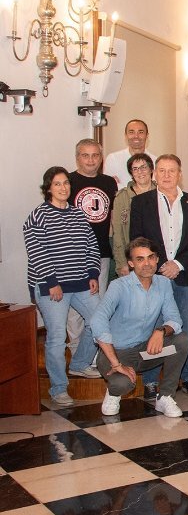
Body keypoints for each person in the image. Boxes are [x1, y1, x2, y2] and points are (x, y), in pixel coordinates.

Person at [129, 154, 188, 397]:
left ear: (179, 173)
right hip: (154, 277)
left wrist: (179, 264)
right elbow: (137, 239)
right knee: (153, 328)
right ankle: (151, 381)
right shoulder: (141, 202)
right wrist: (162, 264)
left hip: (184, 276)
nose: (166, 175)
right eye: (161, 170)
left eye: (171, 170)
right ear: (154, 174)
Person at [24, 166, 103, 406]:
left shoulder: (79, 215)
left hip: (80, 282)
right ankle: (58, 388)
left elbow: (92, 246)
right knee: (57, 336)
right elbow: (36, 253)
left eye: (66, 183)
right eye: (57, 184)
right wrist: (51, 282)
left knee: (99, 321)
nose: (63, 188)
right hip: (51, 286)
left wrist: (92, 273)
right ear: (48, 188)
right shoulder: (37, 216)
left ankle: (79, 364)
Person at [91, 238, 188, 419]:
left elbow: (174, 319)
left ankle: (165, 396)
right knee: (123, 385)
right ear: (131, 263)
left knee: (182, 340)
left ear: (157, 259)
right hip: (114, 353)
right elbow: (97, 321)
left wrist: (161, 331)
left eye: (150, 257)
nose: (147, 263)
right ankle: (113, 394)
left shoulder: (163, 284)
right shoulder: (118, 286)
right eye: (140, 259)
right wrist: (116, 364)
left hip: (145, 352)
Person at [68, 139, 117, 348]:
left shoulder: (109, 182)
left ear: (101, 158)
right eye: (85, 155)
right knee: (74, 308)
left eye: (95, 155)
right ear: (77, 157)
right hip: (73, 254)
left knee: (98, 303)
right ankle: (75, 347)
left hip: (100, 252)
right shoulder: (67, 181)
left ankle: (95, 350)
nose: (90, 160)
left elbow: (113, 218)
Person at [111, 153, 155, 279]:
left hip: (157, 258)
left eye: (143, 167)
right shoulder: (122, 197)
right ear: (131, 173)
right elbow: (118, 233)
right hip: (132, 259)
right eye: (135, 169)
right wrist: (122, 263)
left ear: (151, 169)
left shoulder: (161, 192)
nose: (140, 172)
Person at [104, 119, 158, 191]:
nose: (136, 136)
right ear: (126, 135)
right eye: (131, 132)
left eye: (141, 132)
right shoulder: (113, 159)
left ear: (147, 135)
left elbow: (156, 188)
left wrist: (120, 186)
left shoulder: (155, 161)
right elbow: (109, 186)